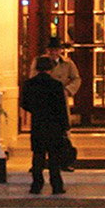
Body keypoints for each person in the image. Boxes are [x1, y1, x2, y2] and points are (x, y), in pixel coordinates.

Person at [19, 56, 69, 195]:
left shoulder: (29, 84)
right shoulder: (56, 85)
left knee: (38, 156)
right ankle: (56, 186)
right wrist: (65, 126)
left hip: (38, 123)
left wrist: (36, 110)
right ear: (51, 69)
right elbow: (61, 107)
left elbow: (24, 103)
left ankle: (36, 185)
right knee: (54, 157)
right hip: (54, 125)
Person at [36, 38, 83, 172]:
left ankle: (64, 162)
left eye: (56, 50)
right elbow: (33, 77)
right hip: (44, 102)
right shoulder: (40, 62)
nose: (53, 53)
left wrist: (68, 90)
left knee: (63, 132)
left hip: (60, 101)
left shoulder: (67, 63)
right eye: (51, 50)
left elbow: (76, 78)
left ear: (61, 50)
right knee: (42, 134)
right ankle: (39, 163)